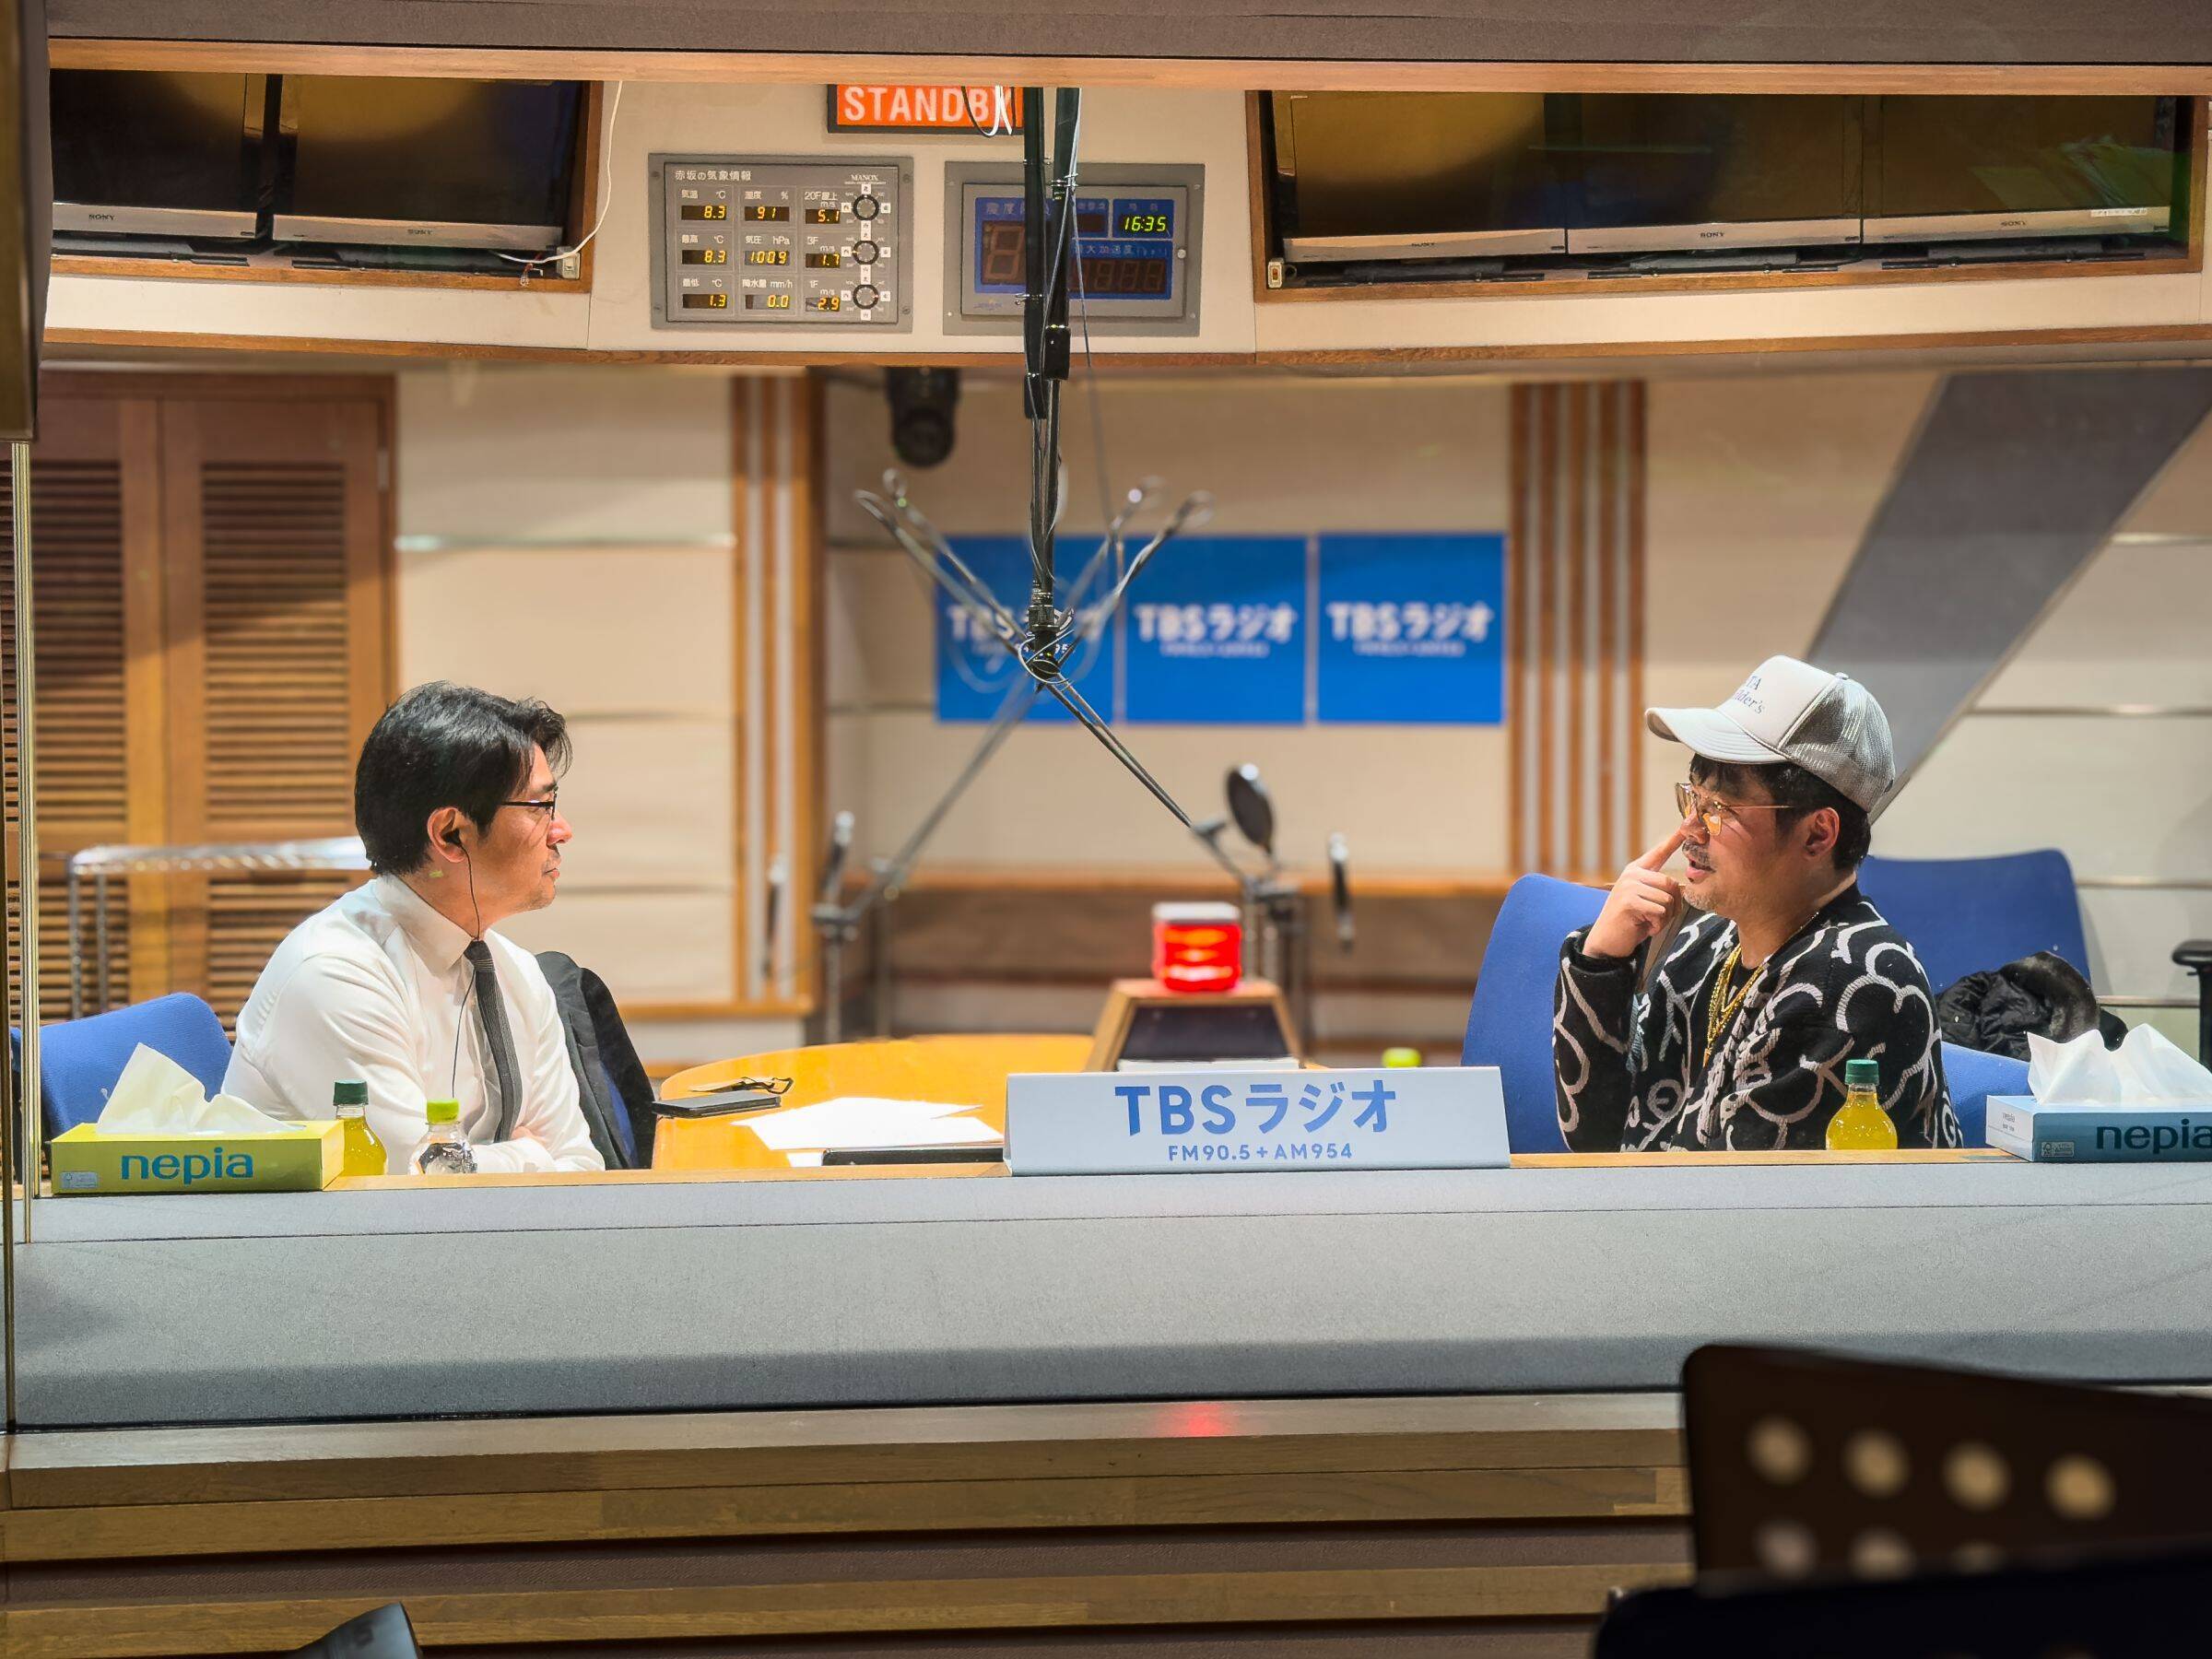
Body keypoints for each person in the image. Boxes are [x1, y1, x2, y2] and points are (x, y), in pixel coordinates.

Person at [1553, 655, 1960, 1152]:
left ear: (1818, 834)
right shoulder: (1706, 942)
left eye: (1720, 809)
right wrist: (1601, 963)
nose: (1690, 831)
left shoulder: (1852, 984)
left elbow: (1734, 1193)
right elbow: (1595, 1139)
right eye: (1693, 799)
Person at [222, 682, 606, 1174]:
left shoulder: (519, 973)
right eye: (539, 807)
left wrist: (493, 1164)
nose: (562, 830)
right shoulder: (334, 973)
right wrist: (530, 1155)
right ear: (450, 834)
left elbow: (581, 1167)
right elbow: (414, 1182)